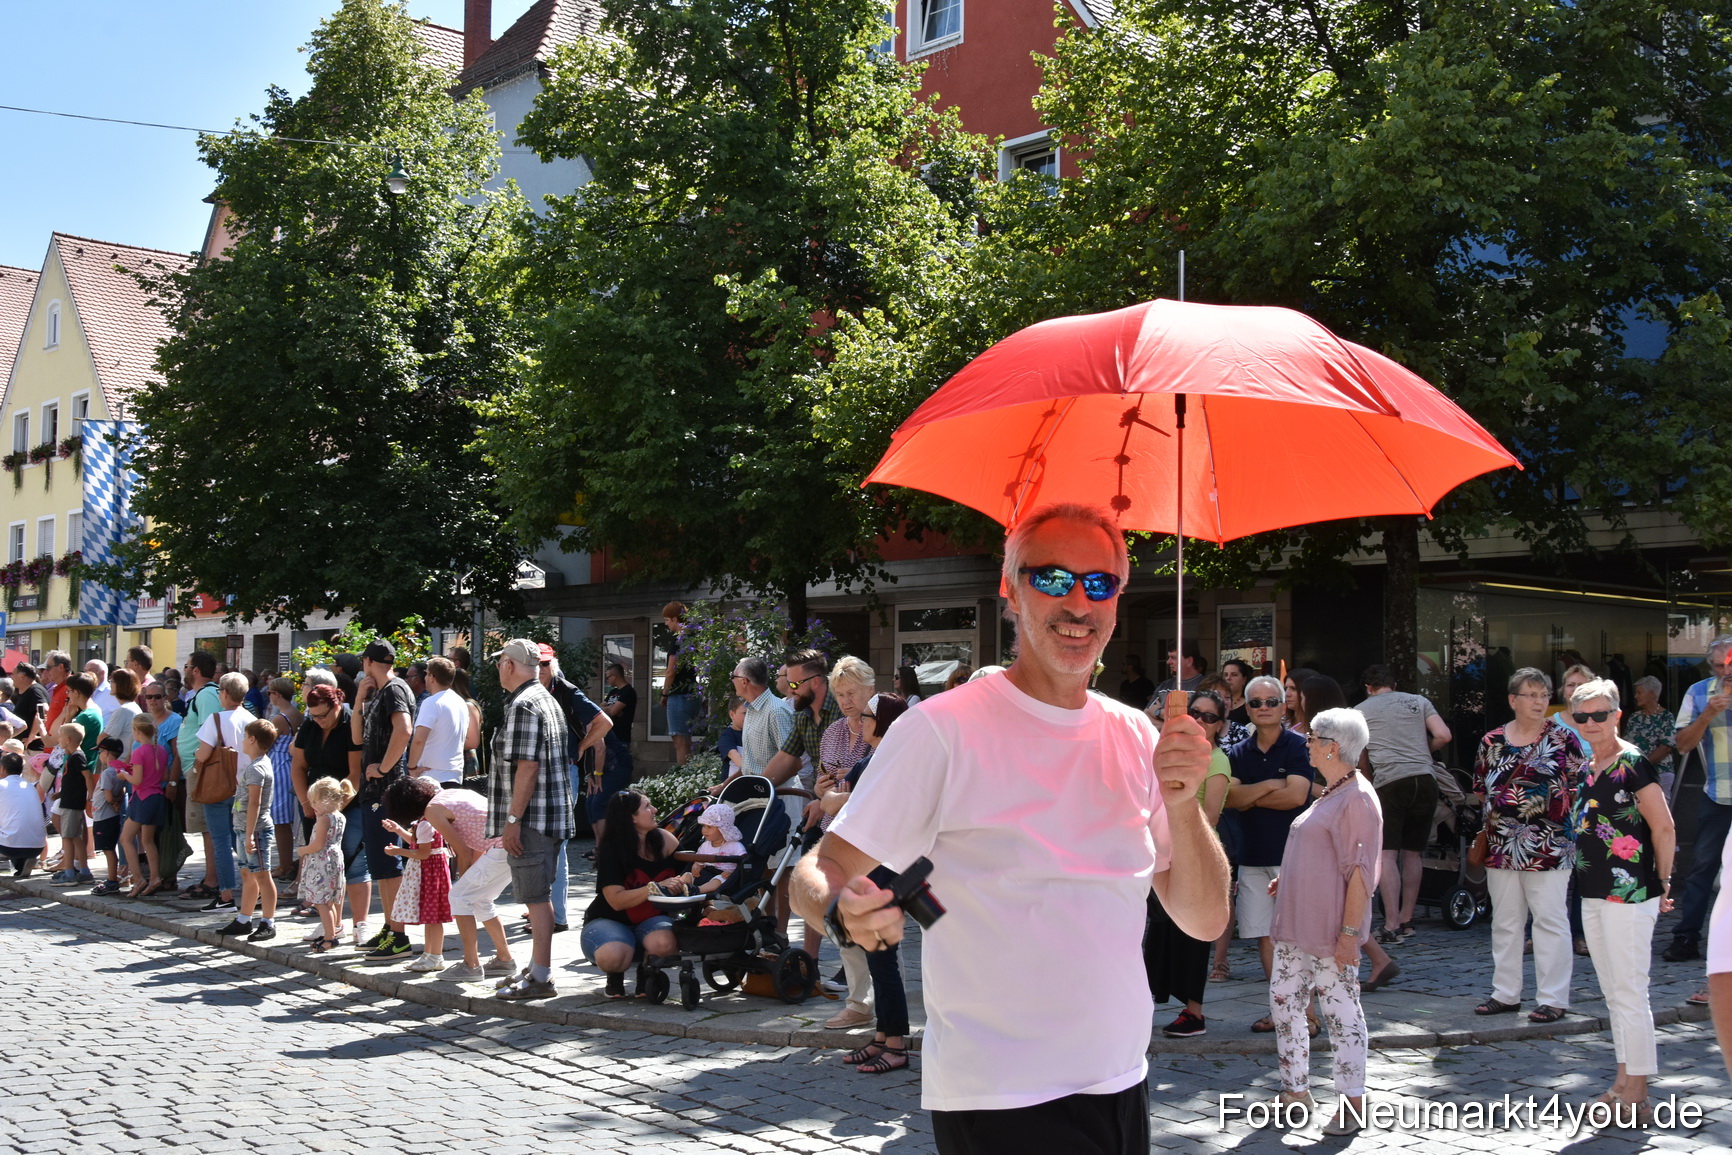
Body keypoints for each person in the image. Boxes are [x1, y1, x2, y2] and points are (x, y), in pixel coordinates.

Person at [792, 503, 1229, 1153]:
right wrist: (841, 905)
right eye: (1052, 578)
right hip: (1000, 1098)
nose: (1078, 602)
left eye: (1100, 582)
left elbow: (1205, 918)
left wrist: (1184, 801)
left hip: (1122, 1081)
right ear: (1010, 590)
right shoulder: (942, 729)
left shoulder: (1139, 736)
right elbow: (817, 869)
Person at [1268, 708, 1382, 1135]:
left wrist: (1349, 937)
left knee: (1340, 1013)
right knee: (1284, 1003)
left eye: (1313, 737)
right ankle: (1295, 1091)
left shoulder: (1357, 798)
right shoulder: (1333, 791)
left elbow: (1361, 875)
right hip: (1297, 925)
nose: (1306, 743)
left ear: (1333, 747)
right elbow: (1322, 852)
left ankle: (1353, 1102)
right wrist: (1290, 878)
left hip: (1330, 930)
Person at [1567, 678, 1676, 1122]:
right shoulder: (1588, 766)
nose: (1591, 722)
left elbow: (1664, 827)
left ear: (1617, 715)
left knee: (1630, 991)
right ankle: (1622, 1083)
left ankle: (1639, 1095)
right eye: (1582, 716)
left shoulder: (1633, 763)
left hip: (1631, 893)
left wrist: (1664, 881)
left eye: (1599, 714)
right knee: (1614, 994)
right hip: (1593, 891)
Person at [1472, 667, 1584, 1024]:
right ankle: (1505, 993)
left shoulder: (1563, 738)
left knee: (1550, 920)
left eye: (1544, 695)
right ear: (1513, 700)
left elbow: (1580, 784)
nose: (1539, 701)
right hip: (1501, 844)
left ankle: (1553, 998)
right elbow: (1480, 788)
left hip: (1550, 844)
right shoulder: (1492, 740)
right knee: (1506, 921)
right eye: (1531, 695)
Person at [815, 692, 913, 1074]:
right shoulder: (876, 761)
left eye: (869, 716)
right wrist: (834, 798)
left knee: (883, 958)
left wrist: (832, 798)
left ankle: (896, 1044)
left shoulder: (892, 762)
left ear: (884, 721)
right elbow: (837, 802)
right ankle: (883, 1035)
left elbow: (846, 805)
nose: (861, 720)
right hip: (873, 866)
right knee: (877, 956)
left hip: (887, 868)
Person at [1226, 674, 1316, 1029]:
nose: (1264, 708)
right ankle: (1283, 1010)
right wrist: (1270, 784)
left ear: (1283, 707)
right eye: (1256, 703)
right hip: (1252, 856)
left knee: (1297, 936)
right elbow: (1232, 799)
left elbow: (1296, 796)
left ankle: (1308, 1014)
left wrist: (1251, 795)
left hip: (1292, 856)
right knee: (1264, 936)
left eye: (1271, 701)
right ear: (1247, 709)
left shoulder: (1298, 746)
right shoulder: (1238, 752)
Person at [487, 638, 573, 1000]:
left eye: (499, 663)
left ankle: (540, 977)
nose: (498, 669)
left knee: (536, 898)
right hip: (549, 814)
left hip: (533, 818)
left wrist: (512, 820)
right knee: (539, 896)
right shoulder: (544, 698)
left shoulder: (524, 704)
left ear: (509, 665)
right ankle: (537, 968)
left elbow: (527, 767)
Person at [1146, 688, 1234, 1038]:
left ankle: (1194, 1013)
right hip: (1164, 851)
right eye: (1194, 712)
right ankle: (1152, 1002)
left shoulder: (1217, 760)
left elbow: (1210, 816)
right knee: (1160, 933)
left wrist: (1181, 811)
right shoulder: (1167, 748)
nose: (1199, 720)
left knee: (1194, 940)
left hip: (1194, 855)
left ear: (1219, 725)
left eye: (1209, 717)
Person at [1356, 664, 1451, 941]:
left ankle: (1392, 923)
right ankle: (1408, 919)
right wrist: (1423, 750)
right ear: (1394, 685)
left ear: (1368, 688)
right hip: (1426, 780)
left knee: (1387, 854)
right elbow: (1444, 736)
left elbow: (1362, 757)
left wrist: (1369, 782)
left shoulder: (1359, 711)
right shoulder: (1419, 702)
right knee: (1413, 853)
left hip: (1390, 782)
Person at [808, 655, 878, 1030]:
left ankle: (872, 1002)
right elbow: (823, 784)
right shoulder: (833, 732)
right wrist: (822, 790)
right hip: (835, 833)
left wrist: (836, 790)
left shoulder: (885, 728)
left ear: (870, 689)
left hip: (871, 838)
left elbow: (876, 784)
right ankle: (860, 1000)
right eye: (840, 694)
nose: (846, 701)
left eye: (852, 692)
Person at [1664, 635, 1732, 965]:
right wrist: (1707, 714)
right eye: (1718, 666)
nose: (1725, 672)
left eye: (1729, 666)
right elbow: (1682, 745)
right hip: (1718, 796)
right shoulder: (1699, 692)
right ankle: (1687, 936)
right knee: (1702, 868)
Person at [580, 789, 686, 998]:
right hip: (609, 920)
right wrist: (655, 887)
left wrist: (686, 886)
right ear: (632, 818)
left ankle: (647, 970)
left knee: (666, 943)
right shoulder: (612, 848)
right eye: (647, 807)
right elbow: (616, 901)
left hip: (652, 920)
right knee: (614, 956)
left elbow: (688, 875)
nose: (654, 810)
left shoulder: (665, 840)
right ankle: (615, 975)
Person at [352, 640, 415, 960]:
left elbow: (404, 730)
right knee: (380, 863)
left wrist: (383, 768)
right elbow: (357, 738)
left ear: (367, 661)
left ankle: (399, 935)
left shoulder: (394, 689)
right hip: (374, 789)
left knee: (389, 863)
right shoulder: (378, 692)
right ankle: (391, 927)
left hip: (385, 789)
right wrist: (359, 699)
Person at [540, 649, 612, 930]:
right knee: (540, 843)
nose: (540, 668)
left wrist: (582, 749)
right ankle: (542, 908)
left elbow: (604, 724)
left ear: (553, 665)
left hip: (562, 771)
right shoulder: (530, 690)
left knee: (556, 842)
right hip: (540, 772)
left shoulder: (567, 691)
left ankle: (556, 915)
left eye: (544, 663)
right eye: (535, 663)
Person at [291, 681, 368, 939]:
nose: (319, 721)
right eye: (314, 716)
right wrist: (307, 803)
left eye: (323, 715)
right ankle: (332, 924)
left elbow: (354, 774)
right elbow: (298, 766)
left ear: (337, 705)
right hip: (314, 804)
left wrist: (332, 810)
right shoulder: (310, 726)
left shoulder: (350, 724)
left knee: (352, 863)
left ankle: (360, 924)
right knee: (324, 866)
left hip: (347, 802)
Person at [421, 784, 517, 982]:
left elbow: (464, 852)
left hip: (501, 847)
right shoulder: (452, 795)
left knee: (459, 896)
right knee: (481, 900)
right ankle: (504, 960)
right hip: (508, 844)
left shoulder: (432, 810)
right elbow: (478, 840)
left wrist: (463, 882)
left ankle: (471, 965)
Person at [192, 672, 257, 914]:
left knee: (220, 841)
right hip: (245, 787)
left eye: (220, 691)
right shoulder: (252, 719)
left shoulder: (216, 719)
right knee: (243, 840)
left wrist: (196, 758)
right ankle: (256, 888)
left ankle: (226, 895)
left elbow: (203, 754)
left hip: (219, 787)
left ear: (226, 693)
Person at [218, 718, 281, 942]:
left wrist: (249, 835)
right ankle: (244, 919)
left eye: (245, 737)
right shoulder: (256, 765)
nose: (243, 741)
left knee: (262, 875)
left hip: (255, 831)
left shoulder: (258, 768)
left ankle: (268, 922)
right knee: (248, 873)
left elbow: (255, 802)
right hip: (244, 828)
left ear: (253, 739)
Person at [382, 776, 453, 972]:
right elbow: (418, 843)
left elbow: (422, 853)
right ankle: (430, 955)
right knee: (431, 917)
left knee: (434, 917)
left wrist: (398, 851)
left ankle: (435, 956)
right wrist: (399, 830)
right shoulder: (425, 821)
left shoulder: (425, 823)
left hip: (430, 872)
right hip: (430, 871)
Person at [177, 652, 223, 898]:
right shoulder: (200, 694)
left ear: (195, 670)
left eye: (186, 666)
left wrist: (199, 762)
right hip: (196, 768)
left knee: (209, 827)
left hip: (202, 769)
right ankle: (211, 877)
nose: (184, 670)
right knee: (206, 827)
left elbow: (211, 731)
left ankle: (213, 880)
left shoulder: (206, 694)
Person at [297, 776, 356, 953]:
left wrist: (303, 850)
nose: (312, 805)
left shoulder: (324, 819)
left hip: (322, 863)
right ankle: (331, 932)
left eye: (315, 801)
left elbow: (318, 845)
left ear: (327, 800)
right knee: (328, 902)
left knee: (322, 903)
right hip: (334, 860)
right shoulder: (339, 816)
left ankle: (330, 938)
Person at [115, 716, 168, 898]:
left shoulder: (139, 751)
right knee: (148, 840)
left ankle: (138, 879)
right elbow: (164, 776)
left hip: (143, 797)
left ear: (137, 731)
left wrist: (124, 775)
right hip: (157, 796)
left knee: (126, 838)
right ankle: (155, 877)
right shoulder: (160, 750)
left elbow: (136, 780)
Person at [263, 678, 302, 884]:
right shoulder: (297, 714)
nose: (269, 696)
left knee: (280, 820)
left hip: (279, 765)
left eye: (270, 692)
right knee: (284, 820)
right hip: (290, 765)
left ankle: (285, 864)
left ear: (277, 694)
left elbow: (265, 742)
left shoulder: (280, 718)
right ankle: (286, 863)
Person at [408, 656, 467, 787]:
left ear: (432, 677)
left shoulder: (431, 702)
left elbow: (419, 740)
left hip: (432, 778)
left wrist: (411, 768)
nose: (425, 678)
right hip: (455, 776)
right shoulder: (461, 702)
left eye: (426, 674)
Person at [732, 657, 792, 777]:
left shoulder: (776, 711)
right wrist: (724, 785)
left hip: (778, 788)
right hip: (757, 786)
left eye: (733, 677)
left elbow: (790, 762)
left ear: (744, 681)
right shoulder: (751, 708)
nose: (732, 681)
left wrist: (764, 786)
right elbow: (750, 766)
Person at [660, 601, 701, 765]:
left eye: (667, 620)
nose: (666, 624)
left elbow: (671, 671)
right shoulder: (694, 638)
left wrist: (664, 693)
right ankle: (689, 774)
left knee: (680, 743)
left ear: (675, 619)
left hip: (678, 695)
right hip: (693, 694)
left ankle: (683, 774)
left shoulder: (678, 640)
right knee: (687, 741)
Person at [1623, 675, 1678, 798]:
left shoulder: (1666, 717)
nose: (1635, 696)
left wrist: (1642, 766)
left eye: (1639, 692)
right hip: (1635, 773)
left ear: (1652, 693)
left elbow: (1666, 747)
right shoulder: (1634, 717)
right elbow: (1625, 745)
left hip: (1660, 772)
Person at [89, 737, 129, 895]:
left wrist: (115, 801)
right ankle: (112, 879)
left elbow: (109, 797)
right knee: (109, 848)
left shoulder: (107, 773)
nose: (99, 755)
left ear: (106, 752)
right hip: (110, 814)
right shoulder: (119, 770)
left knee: (108, 849)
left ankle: (112, 881)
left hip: (104, 816)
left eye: (99, 752)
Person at [0, 751, 46, 875]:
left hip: (10, 846)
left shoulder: (1, 785)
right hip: (37, 846)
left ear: (3, 768)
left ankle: (16, 862)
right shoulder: (30, 786)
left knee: (10, 826)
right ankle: (22, 864)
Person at [689, 803, 746, 894]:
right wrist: (696, 867)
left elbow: (743, 861)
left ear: (722, 829)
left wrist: (733, 873)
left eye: (709, 827)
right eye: (703, 826)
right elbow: (699, 861)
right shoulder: (705, 845)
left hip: (723, 875)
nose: (704, 830)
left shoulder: (734, 845)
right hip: (705, 873)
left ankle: (697, 890)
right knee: (687, 875)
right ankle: (679, 886)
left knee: (717, 881)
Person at [99, 669, 143, 759]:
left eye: (112, 681)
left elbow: (102, 740)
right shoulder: (133, 706)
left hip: (120, 762)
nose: (110, 684)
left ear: (120, 685)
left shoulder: (123, 710)